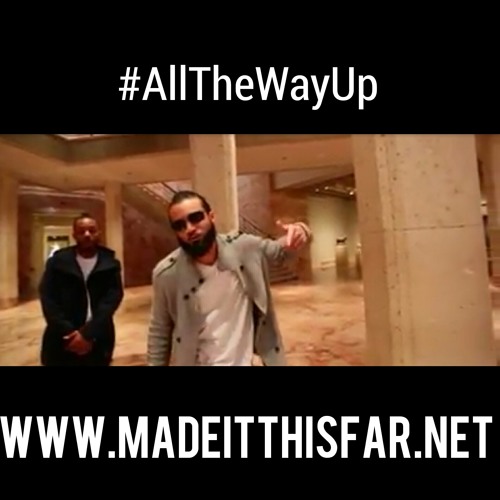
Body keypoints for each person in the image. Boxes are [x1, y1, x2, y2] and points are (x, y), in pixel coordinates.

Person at [147, 190, 312, 366]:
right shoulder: (167, 274)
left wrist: (302, 230)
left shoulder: (244, 248)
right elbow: (160, 332)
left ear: (211, 217)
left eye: (196, 218)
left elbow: (282, 250)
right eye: (180, 225)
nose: (190, 229)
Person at [38, 213, 124, 366]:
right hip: (62, 337)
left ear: (98, 232)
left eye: (92, 230)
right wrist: (69, 333)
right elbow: (48, 298)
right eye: (82, 231)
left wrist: (87, 333)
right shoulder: (58, 262)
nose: (87, 234)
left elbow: (112, 299)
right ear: (74, 235)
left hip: (98, 335)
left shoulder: (110, 263)